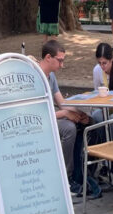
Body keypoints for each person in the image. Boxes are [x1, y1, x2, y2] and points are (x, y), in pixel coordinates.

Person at [38, 40, 100, 200]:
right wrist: (65, 114)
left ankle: (84, 171)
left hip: (50, 116)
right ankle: (66, 176)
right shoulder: (35, 76)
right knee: (69, 128)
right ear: (48, 58)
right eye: (60, 60)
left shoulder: (50, 76)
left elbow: (62, 103)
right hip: (38, 123)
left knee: (88, 121)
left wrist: (78, 113)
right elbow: (39, 114)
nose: (62, 65)